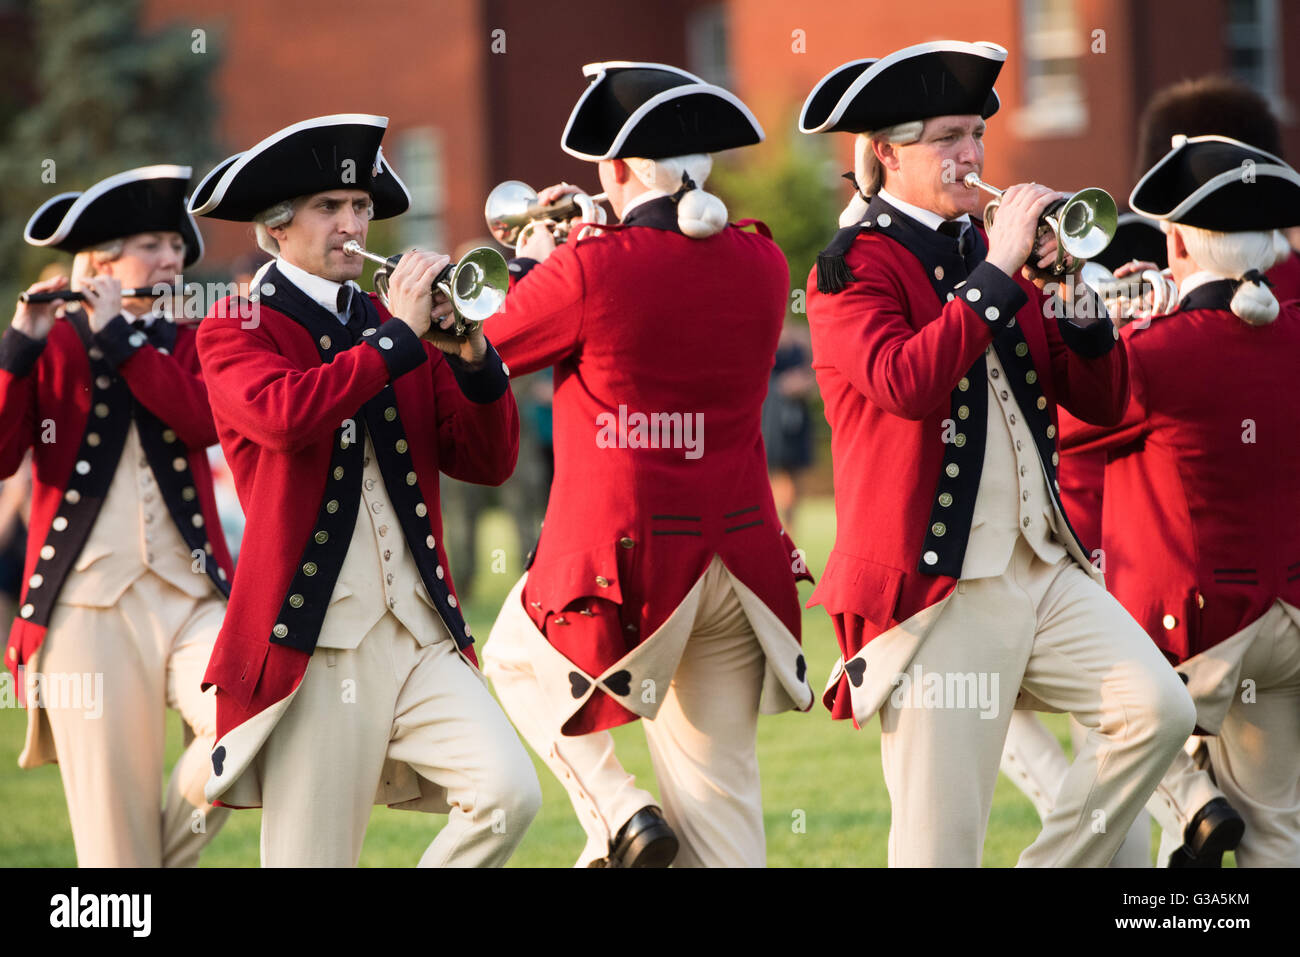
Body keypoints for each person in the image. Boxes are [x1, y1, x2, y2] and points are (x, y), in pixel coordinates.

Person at [800, 40, 1195, 867]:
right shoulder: (850, 269)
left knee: (1156, 708)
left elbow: (1101, 396)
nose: (972, 156)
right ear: (884, 153)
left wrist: (1074, 289)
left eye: (977, 134)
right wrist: (1002, 267)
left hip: (1043, 565)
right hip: (942, 585)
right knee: (940, 850)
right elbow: (903, 381)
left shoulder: (986, 252)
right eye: (948, 137)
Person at [482, 62, 815, 868]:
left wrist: (537, 258)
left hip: (630, 561)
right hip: (740, 558)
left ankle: (621, 813)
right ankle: (631, 827)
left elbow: (489, 341)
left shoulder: (590, 267)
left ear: (622, 168)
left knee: (510, 660)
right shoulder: (765, 264)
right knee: (723, 813)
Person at [190, 113, 540, 866]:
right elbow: (287, 418)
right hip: (315, 641)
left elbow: (489, 460)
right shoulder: (235, 323)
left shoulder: (397, 321)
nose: (353, 225)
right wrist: (398, 341)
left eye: (360, 208)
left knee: (510, 791)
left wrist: (473, 356)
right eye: (330, 208)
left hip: (419, 632)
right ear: (277, 228)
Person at [1061, 134, 1300, 867]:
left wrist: (1105, 320)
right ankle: (1197, 819)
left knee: (1109, 709)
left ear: (1175, 240)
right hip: (1287, 616)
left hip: (1194, 628)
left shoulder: (1157, 351)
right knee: (1278, 829)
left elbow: (1067, 428)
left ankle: (1193, 802)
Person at [1, 165, 233, 866]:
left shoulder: (198, 335)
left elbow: (199, 422)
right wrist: (20, 341)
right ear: (100, 262)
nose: (170, 259)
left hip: (196, 595)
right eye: (149, 244)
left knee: (251, 727)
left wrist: (122, 338)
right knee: (112, 848)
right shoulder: (50, 340)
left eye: (174, 243)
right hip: (86, 609)